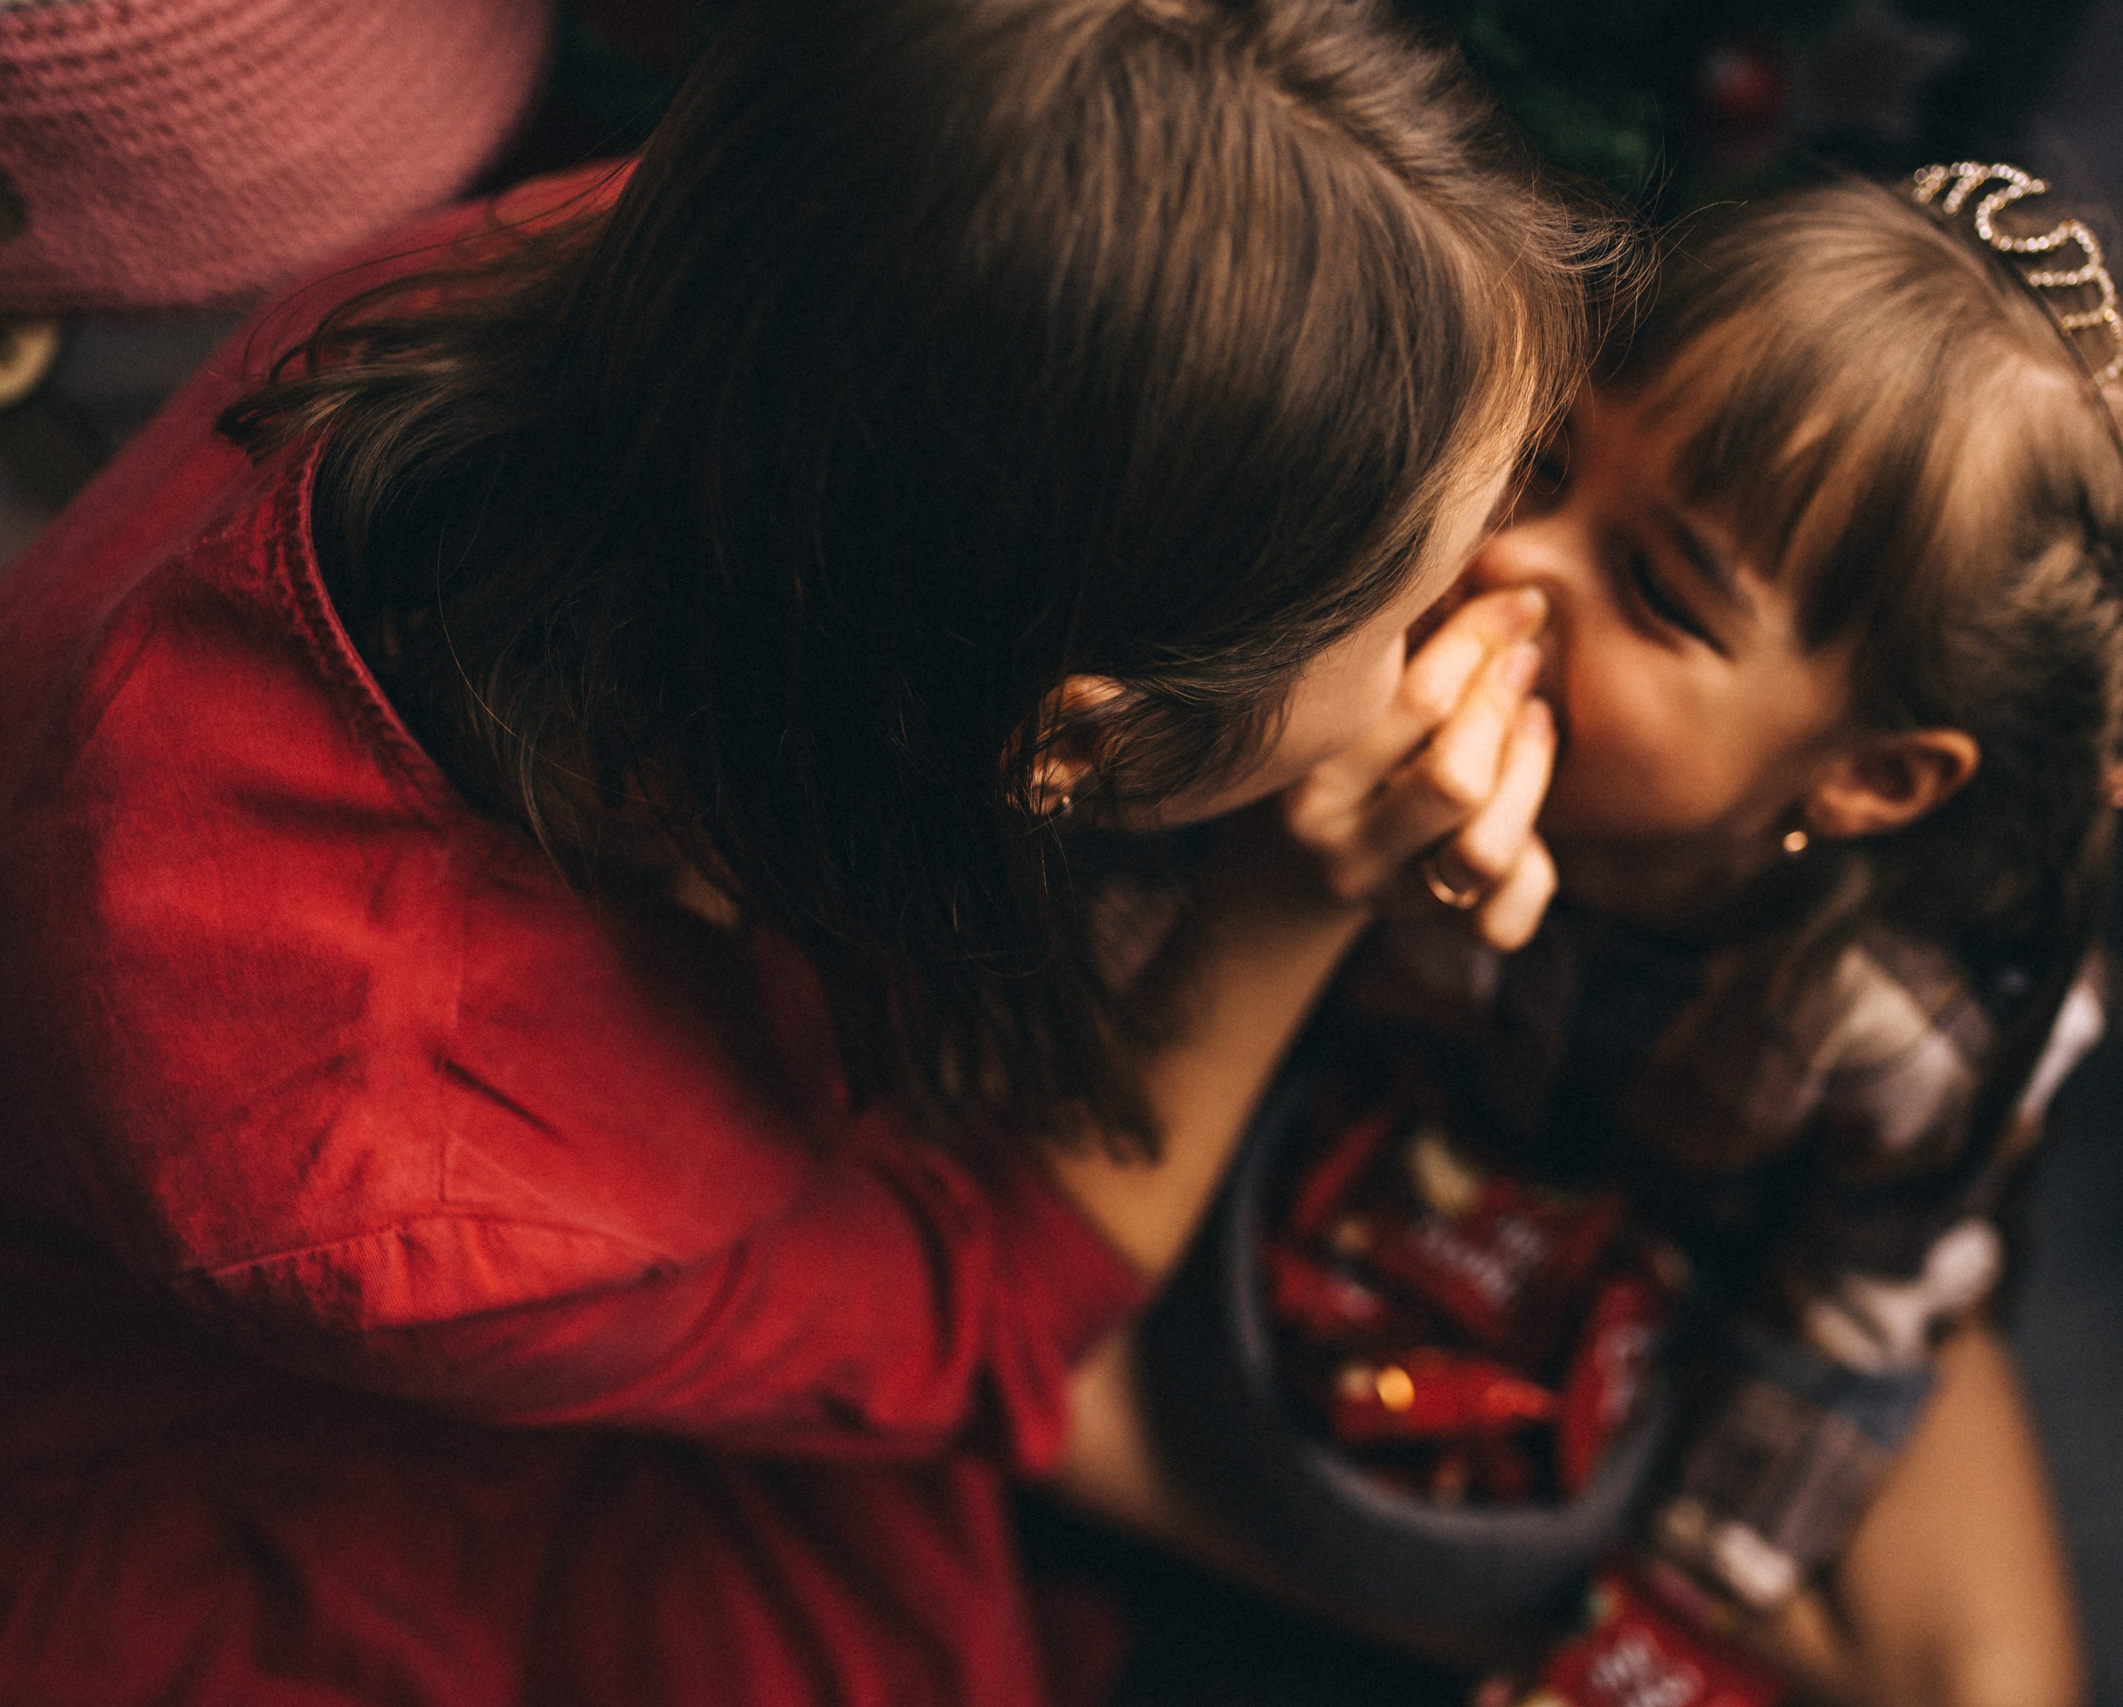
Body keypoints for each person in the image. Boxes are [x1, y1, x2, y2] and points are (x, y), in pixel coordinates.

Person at [0, 2, 1611, 1703]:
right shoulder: (391, 1175)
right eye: (1425, 598)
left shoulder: (819, 268)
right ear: (1071, 742)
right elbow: (984, 1313)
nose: (1508, 597)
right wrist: (1304, 893)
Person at [1303, 164, 2123, 1707]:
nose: (1512, 560)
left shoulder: (1903, 1030)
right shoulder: (1372, 689)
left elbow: (1845, 1316)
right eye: (1544, 462)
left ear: (1869, 776)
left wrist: (1671, 1595)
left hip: (1704, 1275)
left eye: (1655, 590)